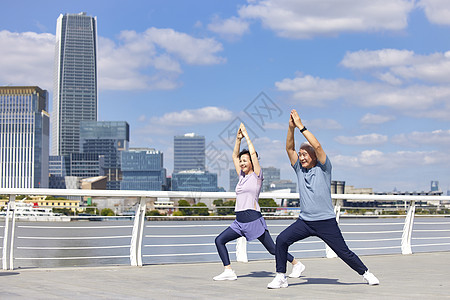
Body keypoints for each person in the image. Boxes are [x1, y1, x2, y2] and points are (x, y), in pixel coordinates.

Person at [267, 109, 380, 289]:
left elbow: (318, 146)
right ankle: (281, 276)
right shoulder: (299, 169)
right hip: (305, 221)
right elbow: (289, 148)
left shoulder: (324, 168)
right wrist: (290, 128)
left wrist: (300, 126)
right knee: (281, 240)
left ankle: (366, 273)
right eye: (301, 154)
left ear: (314, 156)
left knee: (343, 252)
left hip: (326, 222)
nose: (301, 156)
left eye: (305, 154)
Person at [213, 123, 305, 281]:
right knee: (219, 240)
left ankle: (296, 263)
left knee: (272, 249)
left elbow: (253, 154)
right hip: (239, 221)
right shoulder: (241, 177)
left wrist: (247, 136)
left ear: (251, 163)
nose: (242, 163)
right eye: (241, 161)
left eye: (245, 161)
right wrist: (237, 139)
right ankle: (228, 270)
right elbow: (234, 156)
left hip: (253, 219)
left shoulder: (256, 176)